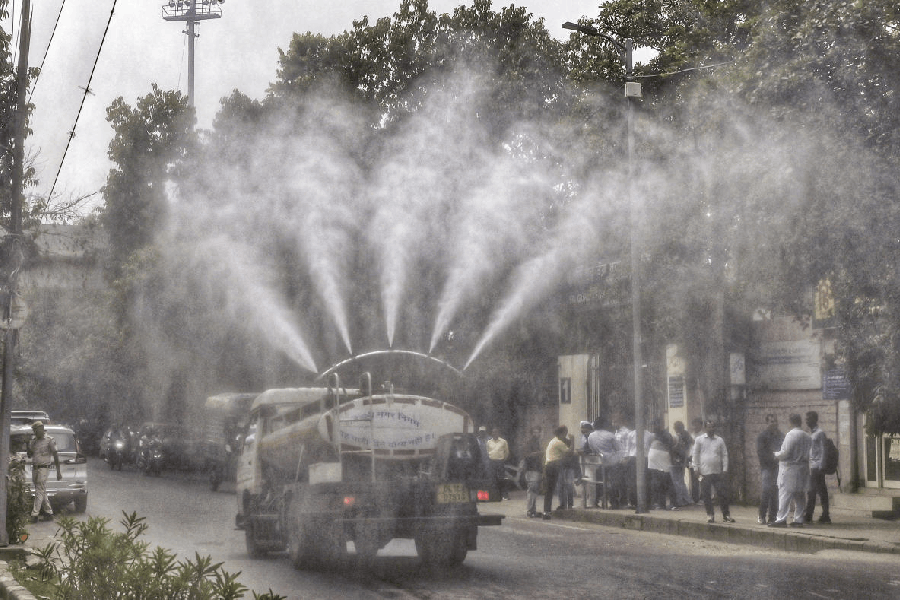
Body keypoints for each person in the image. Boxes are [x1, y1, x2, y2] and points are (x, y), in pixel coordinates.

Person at [770, 413, 811, 528]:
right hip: (802, 468)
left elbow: (785, 453)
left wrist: (775, 454)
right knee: (800, 495)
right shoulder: (807, 436)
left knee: (785, 494)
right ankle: (798, 519)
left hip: (790, 468)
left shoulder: (791, 435)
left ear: (791, 422)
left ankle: (781, 518)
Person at [692, 420, 735, 524]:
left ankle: (726, 515)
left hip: (717, 472)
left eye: (713, 427)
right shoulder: (699, 440)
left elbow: (725, 455)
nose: (711, 429)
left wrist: (724, 469)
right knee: (706, 495)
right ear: (705, 428)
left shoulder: (719, 440)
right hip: (704, 472)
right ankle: (710, 515)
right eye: (709, 427)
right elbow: (695, 454)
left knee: (722, 493)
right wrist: (696, 469)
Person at [27, 421, 62, 522]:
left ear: (42, 429)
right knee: (42, 490)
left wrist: (58, 472)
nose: (35, 432)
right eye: (34, 430)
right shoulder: (34, 441)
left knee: (39, 490)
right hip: (35, 468)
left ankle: (34, 515)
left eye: (36, 430)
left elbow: (55, 455)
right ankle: (49, 513)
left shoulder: (49, 440)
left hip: (44, 468)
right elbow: (29, 455)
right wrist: (27, 443)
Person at [804, 411, 831, 524]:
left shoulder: (820, 433)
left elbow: (823, 449)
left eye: (809, 419)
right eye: (806, 419)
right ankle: (823, 515)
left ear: (815, 420)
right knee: (818, 490)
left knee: (815, 491)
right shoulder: (810, 433)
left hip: (817, 466)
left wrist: (822, 465)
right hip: (811, 466)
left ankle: (811, 515)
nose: (806, 421)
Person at [587, 416, 621, 507]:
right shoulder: (610, 435)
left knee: (599, 482)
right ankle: (614, 502)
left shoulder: (591, 436)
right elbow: (618, 448)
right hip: (611, 462)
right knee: (613, 481)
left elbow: (592, 448)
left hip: (599, 462)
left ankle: (596, 501)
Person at [756, 414, 784, 525]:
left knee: (776, 492)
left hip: (778, 467)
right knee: (766, 491)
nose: (774, 423)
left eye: (775, 421)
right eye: (771, 421)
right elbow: (761, 453)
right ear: (767, 423)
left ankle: (772, 516)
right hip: (767, 467)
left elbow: (783, 449)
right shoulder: (762, 436)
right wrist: (773, 458)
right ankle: (761, 515)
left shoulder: (781, 435)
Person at [542, 426, 571, 520]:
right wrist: (573, 440)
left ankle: (546, 511)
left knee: (549, 489)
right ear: (561, 433)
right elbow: (570, 452)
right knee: (557, 487)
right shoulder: (558, 442)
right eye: (565, 434)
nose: (565, 436)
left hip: (549, 465)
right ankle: (551, 509)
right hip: (554, 465)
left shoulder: (553, 440)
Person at [647, 421, 675, 510]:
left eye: (655, 424)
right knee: (661, 482)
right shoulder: (655, 435)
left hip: (659, 458)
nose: (653, 426)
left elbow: (670, 445)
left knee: (662, 481)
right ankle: (663, 503)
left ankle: (666, 503)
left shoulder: (660, 435)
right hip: (658, 459)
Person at [670, 421, 693, 507]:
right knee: (681, 480)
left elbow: (675, 448)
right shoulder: (687, 436)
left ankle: (680, 500)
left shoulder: (678, 436)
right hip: (683, 459)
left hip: (676, 459)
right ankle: (687, 499)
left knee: (676, 481)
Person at [522, 427, 544, 518]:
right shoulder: (530, 443)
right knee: (532, 489)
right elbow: (527, 455)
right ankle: (530, 510)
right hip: (531, 469)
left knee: (534, 490)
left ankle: (532, 510)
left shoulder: (537, 442)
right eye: (535, 432)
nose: (537, 434)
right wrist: (539, 453)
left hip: (536, 469)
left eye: (538, 432)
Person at [486, 427, 511, 499]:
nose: (494, 434)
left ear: (499, 433)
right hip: (492, 462)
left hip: (500, 461)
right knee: (492, 478)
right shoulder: (489, 442)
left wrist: (503, 459)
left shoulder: (503, 441)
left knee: (501, 478)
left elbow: (506, 452)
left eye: (496, 432)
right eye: (493, 432)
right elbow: (487, 451)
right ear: (491, 433)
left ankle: (504, 495)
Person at [688, 417, 704, 503]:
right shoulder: (691, 435)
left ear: (701, 425)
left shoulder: (703, 436)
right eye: (694, 424)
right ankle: (695, 498)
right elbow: (689, 448)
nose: (695, 426)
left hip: (700, 459)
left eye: (697, 424)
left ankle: (702, 497)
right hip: (691, 458)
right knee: (693, 477)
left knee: (701, 477)